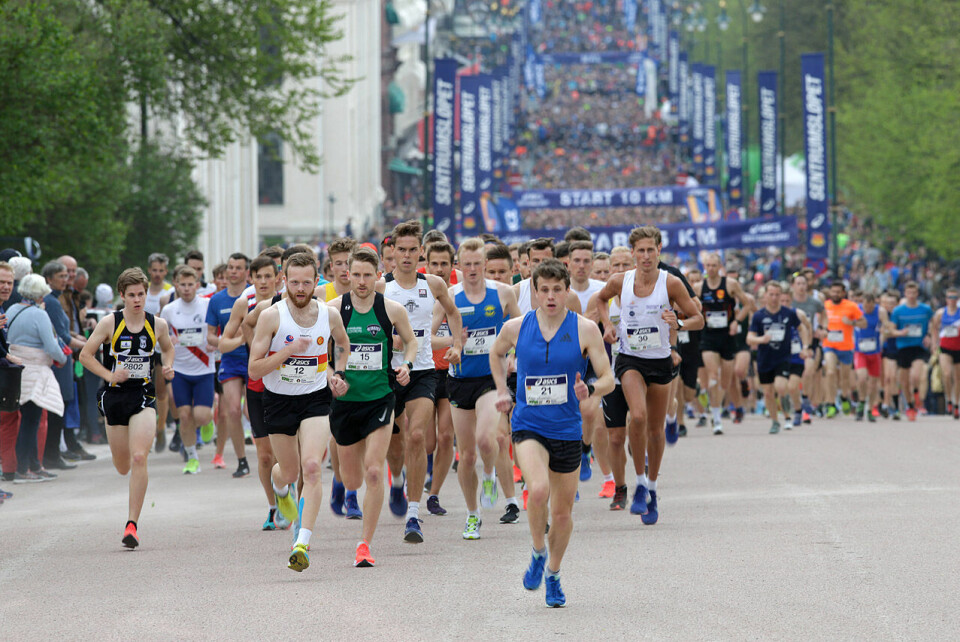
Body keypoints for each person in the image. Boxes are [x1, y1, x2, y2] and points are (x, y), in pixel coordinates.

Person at [490, 259, 615, 607]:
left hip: (567, 428)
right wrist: (502, 390)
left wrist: (591, 388)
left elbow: (608, 377)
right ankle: (537, 550)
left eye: (556, 289)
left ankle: (554, 574)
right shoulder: (517, 327)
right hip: (529, 424)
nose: (550, 296)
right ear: (534, 291)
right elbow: (496, 353)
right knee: (538, 489)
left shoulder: (585, 329)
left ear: (566, 291)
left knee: (562, 515)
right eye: (543, 289)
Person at [248, 252, 350, 571]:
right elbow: (253, 370)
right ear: (284, 280)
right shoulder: (271, 316)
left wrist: (340, 374)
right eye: (294, 282)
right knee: (289, 472)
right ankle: (281, 491)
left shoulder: (328, 315)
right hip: (278, 400)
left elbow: (344, 345)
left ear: (317, 280)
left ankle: (302, 542)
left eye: (307, 282)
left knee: (313, 467)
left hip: (315, 399)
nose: (301, 289)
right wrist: (287, 352)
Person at [596, 226, 703, 524]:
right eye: (640, 250)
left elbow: (698, 319)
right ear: (632, 253)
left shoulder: (671, 284)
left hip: (660, 361)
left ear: (659, 251)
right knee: (638, 417)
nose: (645, 256)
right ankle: (639, 483)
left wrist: (679, 323)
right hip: (630, 359)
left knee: (656, 432)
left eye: (650, 250)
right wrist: (607, 325)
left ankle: (653, 489)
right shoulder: (620, 281)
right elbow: (599, 300)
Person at [329, 247, 417, 564]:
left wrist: (406, 364)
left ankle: (364, 544)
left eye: (368, 275)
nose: (362, 281)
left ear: (378, 275)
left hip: (380, 398)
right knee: (353, 479)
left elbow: (411, 341)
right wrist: (330, 376)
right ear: (347, 275)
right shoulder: (334, 310)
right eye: (356, 275)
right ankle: (343, 486)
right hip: (345, 402)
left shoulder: (390, 310)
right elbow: (317, 354)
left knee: (375, 472)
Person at [377, 220, 462, 543]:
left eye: (414, 250)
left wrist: (456, 345)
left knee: (416, 436)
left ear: (421, 252)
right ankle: (397, 481)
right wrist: (391, 340)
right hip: (389, 372)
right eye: (402, 250)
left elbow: (453, 313)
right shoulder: (382, 287)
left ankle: (413, 513)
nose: (408, 256)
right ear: (393, 253)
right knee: (394, 443)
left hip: (424, 372)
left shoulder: (434, 284)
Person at [79, 268, 176, 548]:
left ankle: (132, 524)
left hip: (143, 396)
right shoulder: (110, 323)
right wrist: (109, 376)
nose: (137, 300)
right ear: (121, 295)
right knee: (122, 466)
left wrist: (168, 365)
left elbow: (168, 348)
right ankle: (130, 513)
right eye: (131, 295)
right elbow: (85, 355)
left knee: (138, 458)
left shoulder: (157, 324)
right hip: (114, 397)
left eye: (141, 294)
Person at [445, 238, 520, 540]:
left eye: (479, 264)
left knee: (486, 439)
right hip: (460, 379)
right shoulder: (450, 296)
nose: (473, 269)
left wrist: (513, 355)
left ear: (485, 266)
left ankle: (490, 476)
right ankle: (472, 514)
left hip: (491, 378)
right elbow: (428, 337)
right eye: (468, 264)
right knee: (466, 455)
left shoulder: (502, 293)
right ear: (458, 266)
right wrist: (453, 345)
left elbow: (520, 328)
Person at [5, 274, 69, 483]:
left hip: (15, 370)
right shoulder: (38, 314)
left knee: (25, 420)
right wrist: (63, 358)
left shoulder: (12, 309)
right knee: (31, 422)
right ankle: (24, 470)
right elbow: (51, 346)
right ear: (40, 293)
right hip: (34, 371)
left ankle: (32, 465)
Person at [160, 266, 216, 474]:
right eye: (182, 284)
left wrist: (214, 344)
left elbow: (216, 332)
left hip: (204, 368)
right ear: (176, 284)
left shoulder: (207, 305)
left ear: (197, 284)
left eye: (190, 284)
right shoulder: (169, 309)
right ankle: (192, 457)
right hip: (180, 369)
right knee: (184, 416)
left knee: (200, 416)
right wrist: (169, 342)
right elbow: (160, 342)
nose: (186, 289)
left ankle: (210, 418)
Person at [694, 253, 751, 434]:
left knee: (725, 383)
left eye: (714, 265)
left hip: (727, 337)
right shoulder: (698, 287)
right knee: (713, 377)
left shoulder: (730, 284)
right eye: (708, 265)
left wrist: (736, 321)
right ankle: (716, 418)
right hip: (708, 336)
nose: (711, 268)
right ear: (704, 266)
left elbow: (748, 304)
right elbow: (688, 306)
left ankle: (716, 402)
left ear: (720, 266)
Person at [205, 253, 251, 476]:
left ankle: (268, 453)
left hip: (254, 359)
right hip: (230, 360)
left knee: (250, 411)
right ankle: (242, 460)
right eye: (230, 267)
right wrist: (225, 341)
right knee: (231, 410)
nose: (232, 271)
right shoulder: (217, 300)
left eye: (237, 268)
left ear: (246, 272)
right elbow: (211, 337)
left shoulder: (253, 295)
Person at [747, 282, 810, 434]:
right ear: (766, 295)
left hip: (783, 358)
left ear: (781, 295)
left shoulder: (788, 313)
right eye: (771, 294)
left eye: (777, 295)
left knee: (781, 387)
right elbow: (749, 338)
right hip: (765, 359)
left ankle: (787, 414)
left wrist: (806, 347)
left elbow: (803, 329)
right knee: (768, 393)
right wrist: (761, 339)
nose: (774, 298)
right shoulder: (759, 316)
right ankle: (775, 421)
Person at [423, 241, 457, 516]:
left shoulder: (458, 293)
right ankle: (418, 475)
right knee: (427, 441)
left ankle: (433, 495)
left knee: (446, 437)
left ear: (452, 265)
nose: (439, 269)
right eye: (434, 263)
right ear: (427, 264)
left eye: (444, 263)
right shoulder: (419, 291)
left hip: (451, 372)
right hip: (423, 372)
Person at [887, 281, 934, 421]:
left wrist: (929, 335)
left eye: (914, 293)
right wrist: (900, 332)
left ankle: (916, 396)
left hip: (918, 347)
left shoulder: (925, 309)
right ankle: (910, 406)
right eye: (909, 293)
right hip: (903, 347)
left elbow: (932, 323)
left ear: (917, 294)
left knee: (916, 376)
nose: (912, 295)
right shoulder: (898, 311)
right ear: (905, 294)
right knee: (904, 381)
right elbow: (891, 329)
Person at [821, 282, 866, 418]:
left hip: (846, 346)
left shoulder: (851, 306)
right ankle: (830, 404)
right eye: (833, 291)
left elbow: (863, 323)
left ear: (843, 293)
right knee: (830, 372)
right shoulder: (825, 306)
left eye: (838, 292)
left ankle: (845, 397)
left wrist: (851, 323)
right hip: (829, 344)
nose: (835, 294)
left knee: (845, 378)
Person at [144, 253, 174, 447]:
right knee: (145, 388)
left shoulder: (170, 290)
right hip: (143, 347)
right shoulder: (142, 290)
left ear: (166, 271)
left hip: (162, 345)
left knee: (161, 390)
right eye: (154, 270)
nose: (157, 274)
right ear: (149, 270)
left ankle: (161, 427)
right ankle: (148, 428)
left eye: (161, 270)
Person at [853, 293, 883, 422]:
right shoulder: (856, 310)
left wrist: (886, 331)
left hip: (874, 352)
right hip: (860, 351)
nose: (868, 308)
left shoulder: (880, 312)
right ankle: (861, 402)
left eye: (870, 306)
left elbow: (886, 325)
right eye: (866, 306)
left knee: (873, 383)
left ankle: (870, 409)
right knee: (862, 378)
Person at [931, 287, 960, 420]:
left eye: (954, 298)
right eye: (949, 297)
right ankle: (949, 400)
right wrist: (934, 343)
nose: (952, 300)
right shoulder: (941, 313)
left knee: (957, 378)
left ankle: (956, 404)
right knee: (947, 374)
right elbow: (934, 328)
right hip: (945, 348)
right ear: (946, 299)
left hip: (958, 348)